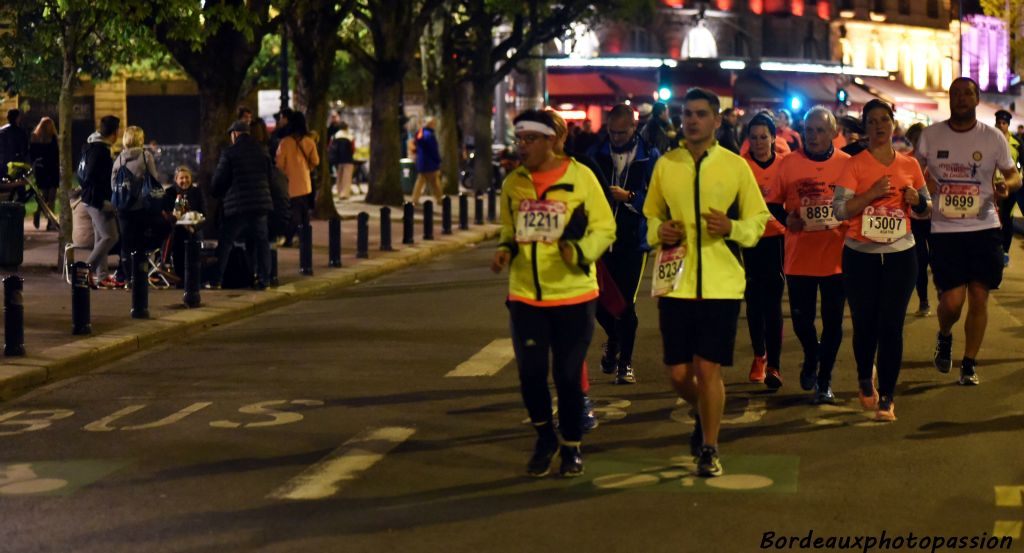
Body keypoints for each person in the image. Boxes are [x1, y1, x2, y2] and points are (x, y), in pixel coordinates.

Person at [643, 88, 769, 477]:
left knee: (708, 367)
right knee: (679, 374)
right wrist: (658, 231)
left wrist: (732, 227)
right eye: (687, 114)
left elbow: (758, 220)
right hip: (676, 283)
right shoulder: (667, 164)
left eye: (700, 114)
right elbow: (649, 216)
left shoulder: (735, 166)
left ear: (717, 120)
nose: (692, 120)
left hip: (721, 284)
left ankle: (710, 447)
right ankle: (703, 412)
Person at [491, 109, 615, 478]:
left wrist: (578, 252)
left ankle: (572, 446)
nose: (523, 146)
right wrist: (504, 250)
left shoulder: (581, 177)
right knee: (530, 375)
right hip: (526, 295)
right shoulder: (514, 183)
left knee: (566, 375)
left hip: (574, 294)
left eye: (530, 139)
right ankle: (545, 437)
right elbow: (509, 229)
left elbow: (605, 228)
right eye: (520, 139)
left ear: (550, 140)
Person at [916, 77, 1022, 385]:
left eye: (968, 94)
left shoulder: (993, 138)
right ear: (950, 99)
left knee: (979, 296)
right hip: (945, 229)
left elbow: (1014, 176)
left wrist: (1006, 186)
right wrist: (925, 183)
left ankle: (969, 363)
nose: (961, 98)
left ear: (977, 100)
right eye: (956, 94)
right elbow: (910, 171)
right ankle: (945, 334)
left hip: (984, 226)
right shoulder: (930, 135)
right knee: (951, 302)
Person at [833, 100, 931, 421]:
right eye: (872, 121)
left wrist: (917, 201)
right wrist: (872, 193)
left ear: (893, 124)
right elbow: (839, 211)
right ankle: (865, 377)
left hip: (902, 256)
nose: (878, 126)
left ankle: (887, 395)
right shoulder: (854, 164)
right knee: (865, 325)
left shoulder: (910, 165)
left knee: (892, 326)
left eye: (883, 120)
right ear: (865, 127)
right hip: (861, 257)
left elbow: (926, 208)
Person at [778, 106, 850, 401]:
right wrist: (787, 220)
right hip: (800, 257)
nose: (814, 136)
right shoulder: (788, 164)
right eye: (809, 130)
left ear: (834, 133)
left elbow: (858, 206)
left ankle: (824, 379)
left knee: (834, 322)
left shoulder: (848, 164)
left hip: (837, 257)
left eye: (821, 130)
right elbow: (772, 204)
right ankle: (811, 354)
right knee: (801, 321)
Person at [587, 104, 660, 386]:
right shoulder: (596, 153)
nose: (616, 137)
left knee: (626, 305)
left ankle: (625, 363)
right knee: (596, 302)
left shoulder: (649, 155)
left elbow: (656, 199)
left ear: (634, 127)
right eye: (612, 132)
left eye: (622, 132)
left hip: (633, 241)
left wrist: (629, 197)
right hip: (600, 240)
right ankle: (614, 339)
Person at [740, 113, 788, 385]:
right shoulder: (740, 166)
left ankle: (775, 366)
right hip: (748, 241)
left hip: (776, 241)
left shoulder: (783, 165)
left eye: (764, 137)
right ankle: (759, 355)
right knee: (754, 302)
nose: (759, 142)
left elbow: (790, 202)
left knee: (772, 303)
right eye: (754, 137)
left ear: (773, 138)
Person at [211, 121, 275, 289]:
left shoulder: (229, 153)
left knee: (226, 242)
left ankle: (216, 280)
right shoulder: (262, 151)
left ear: (234, 134)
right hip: (260, 204)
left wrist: (217, 193)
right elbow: (270, 178)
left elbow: (219, 181)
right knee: (262, 242)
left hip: (238, 206)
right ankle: (264, 280)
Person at [111, 125, 163, 285]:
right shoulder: (146, 156)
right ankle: (140, 276)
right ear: (140, 139)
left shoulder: (119, 159)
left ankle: (127, 277)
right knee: (141, 243)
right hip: (141, 207)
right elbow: (153, 179)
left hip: (123, 208)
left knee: (126, 243)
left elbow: (113, 184)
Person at [79, 115, 121, 288]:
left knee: (100, 237)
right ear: (114, 132)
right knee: (111, 236)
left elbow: (82, 173)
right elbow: (91, 175)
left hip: (89, 198)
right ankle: (84, 270)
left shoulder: (89, 146)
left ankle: (102, 275)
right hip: (98, 200)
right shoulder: (100, 151)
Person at [275, 110, 319, 247]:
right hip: (305, 183)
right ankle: (305, 238)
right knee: (304, 213)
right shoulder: (309, 142)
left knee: (293, 213)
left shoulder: (285, 143)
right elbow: (315, 161)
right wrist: (306, 169)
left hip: (290, 184)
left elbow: (279, 165)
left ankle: (289, 238)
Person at [904, 122, 933, 316]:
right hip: (915, 218)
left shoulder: (939, 159)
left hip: (937, 217)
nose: (919, 143)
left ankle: (944, 292)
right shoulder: (906, 161)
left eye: (921, 138)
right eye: (915, 140)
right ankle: (923, 301)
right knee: (920, 261)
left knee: (939, 259)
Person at [160, 166, 206, 283]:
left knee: (195, 239)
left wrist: (194, 224)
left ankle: (194, 276)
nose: (184, 180)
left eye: (187, 177)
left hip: (193, 227)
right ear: (176, 179)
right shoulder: (170, 192)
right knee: (176, 241)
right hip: (176, 228)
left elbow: (203, 212)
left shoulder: (196, 192)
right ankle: (179, 275)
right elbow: (166, 212)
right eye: (181, 178)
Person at [993, 110, 1021, 266]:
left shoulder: (1017, 143)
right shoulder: (988, 139)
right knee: (992, 218)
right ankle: (993, 248)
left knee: (1007, 218)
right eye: (999, 122)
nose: (1001, 125)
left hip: (1010, 186)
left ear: (1008, 125)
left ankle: (1005, 251)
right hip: (991, 186)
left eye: (1004, 123)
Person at [29, 117, 59, 230]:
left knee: (43, 197)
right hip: (52, 169)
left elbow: (32, 155)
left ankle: (39, 213)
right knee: (51, 198)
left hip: (41, 169)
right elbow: (57, 155)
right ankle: (50, 222)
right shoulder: (54, 138)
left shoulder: (34, 137)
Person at [411, 117, 442, 205]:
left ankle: (414, 199)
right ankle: (440, 199)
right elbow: (433, 150)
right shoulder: (430, 135)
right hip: (430, 162)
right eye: (434, 123)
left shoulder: (420, 134)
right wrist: (438, 160)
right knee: (435, 182)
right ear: (431, 125)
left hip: (421, 161)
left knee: (420, 181)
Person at [0, 109, 29, 181]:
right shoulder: (21, 132)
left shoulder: (1, 131)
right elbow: (24, 149)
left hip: (3, 161)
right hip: (17, 163)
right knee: (18, 184)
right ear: (17, 118)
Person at [330, 122, 356, 199]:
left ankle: (339, 192)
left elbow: (330, 147)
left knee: (339, 176)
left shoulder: (335, 136)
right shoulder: (350, 136)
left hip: (337, 160)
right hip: (348, 159)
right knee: (346, 177)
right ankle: (344, 194)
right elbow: (353, 149)